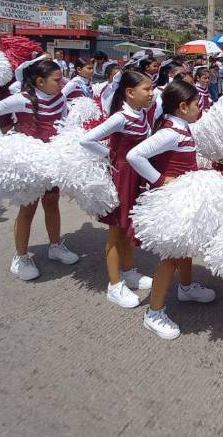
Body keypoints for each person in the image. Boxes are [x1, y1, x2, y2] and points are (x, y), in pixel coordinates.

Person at [126, 81, 216, 340]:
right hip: (173, 199)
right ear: (183, 106)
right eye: (198, 104)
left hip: (184, 196)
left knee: (186, 248)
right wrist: (159, 180)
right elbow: (135, 155)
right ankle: (153, 312)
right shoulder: (171, 132)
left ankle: (186, 287)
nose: (201, 108)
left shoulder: (182, 127)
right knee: (170, 258)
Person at [0, 59, 79, 279]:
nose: (62, 81)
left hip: (51, 160)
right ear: (40, 81)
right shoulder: (22, 99)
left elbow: (63, 124)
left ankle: (55, 246)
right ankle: (21, 257)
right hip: (29, 163)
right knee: (28, 209)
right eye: (57, 79)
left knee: (52, 203)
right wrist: (2, 141)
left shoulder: (60, 98)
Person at [80, 71, 156, 308]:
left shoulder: (142, 113)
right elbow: (87, 139)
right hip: (122, 177)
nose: (152, 93)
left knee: (127, 228)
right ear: (130, 92)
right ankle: (114, 285)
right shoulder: (120, 117)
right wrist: (111, 156)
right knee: (116, 231)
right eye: (147, 89)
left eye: (152, 88)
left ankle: (128, 270)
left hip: (136, 176)